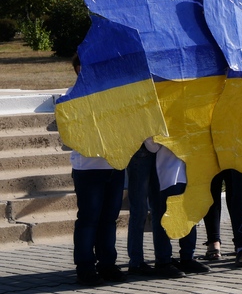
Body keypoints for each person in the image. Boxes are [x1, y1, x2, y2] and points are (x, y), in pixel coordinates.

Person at [69, 55, 127, 286]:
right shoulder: (72, 95)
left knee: (109, 219)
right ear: (77, 69)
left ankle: (107, 265)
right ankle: (85, 268)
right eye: (83, 67)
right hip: (88, 168)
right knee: (89, 219)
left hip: (114, 165)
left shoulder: (113, 93)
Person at [127, 137, 210, 277]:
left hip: (170, 154)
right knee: (151, 210)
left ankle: (183, 257)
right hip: (144, 149)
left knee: (183, 205)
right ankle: (152, 261)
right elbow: (152, 143)